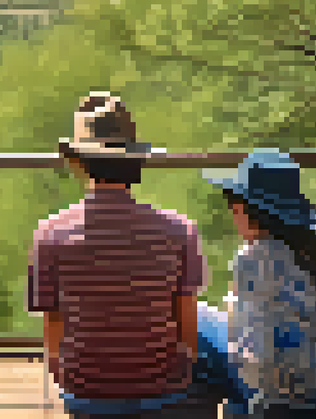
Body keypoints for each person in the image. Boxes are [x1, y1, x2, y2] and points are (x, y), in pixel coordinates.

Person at [28, 92, 226, 419]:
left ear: (78, 163)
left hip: (84, 392)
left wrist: (62, 375)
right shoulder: (179, 230)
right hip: (161, 389)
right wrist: (183, 362)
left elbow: (53, 323)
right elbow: (186, 323)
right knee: (210, 327)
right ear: (135, 161)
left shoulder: (50, 233)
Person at [204, 149, 316, 418]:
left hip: (279, 406)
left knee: (205, 339)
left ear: (251, 211)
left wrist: (231, 311)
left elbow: (254, 359)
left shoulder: (252, 258)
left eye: (234, 209)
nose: (233, 217)